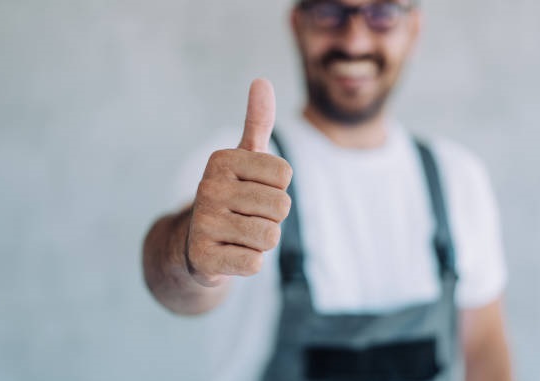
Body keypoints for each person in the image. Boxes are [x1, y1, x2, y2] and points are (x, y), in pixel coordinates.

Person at [142, 0, 513, 380]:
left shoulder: (458, 177)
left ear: (413, 30)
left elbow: (483, 345)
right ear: (298, 24)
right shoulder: (238, 165)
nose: (354, 41)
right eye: (329, 12)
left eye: (382, 14)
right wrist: (190, 252)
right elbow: (174, 284)